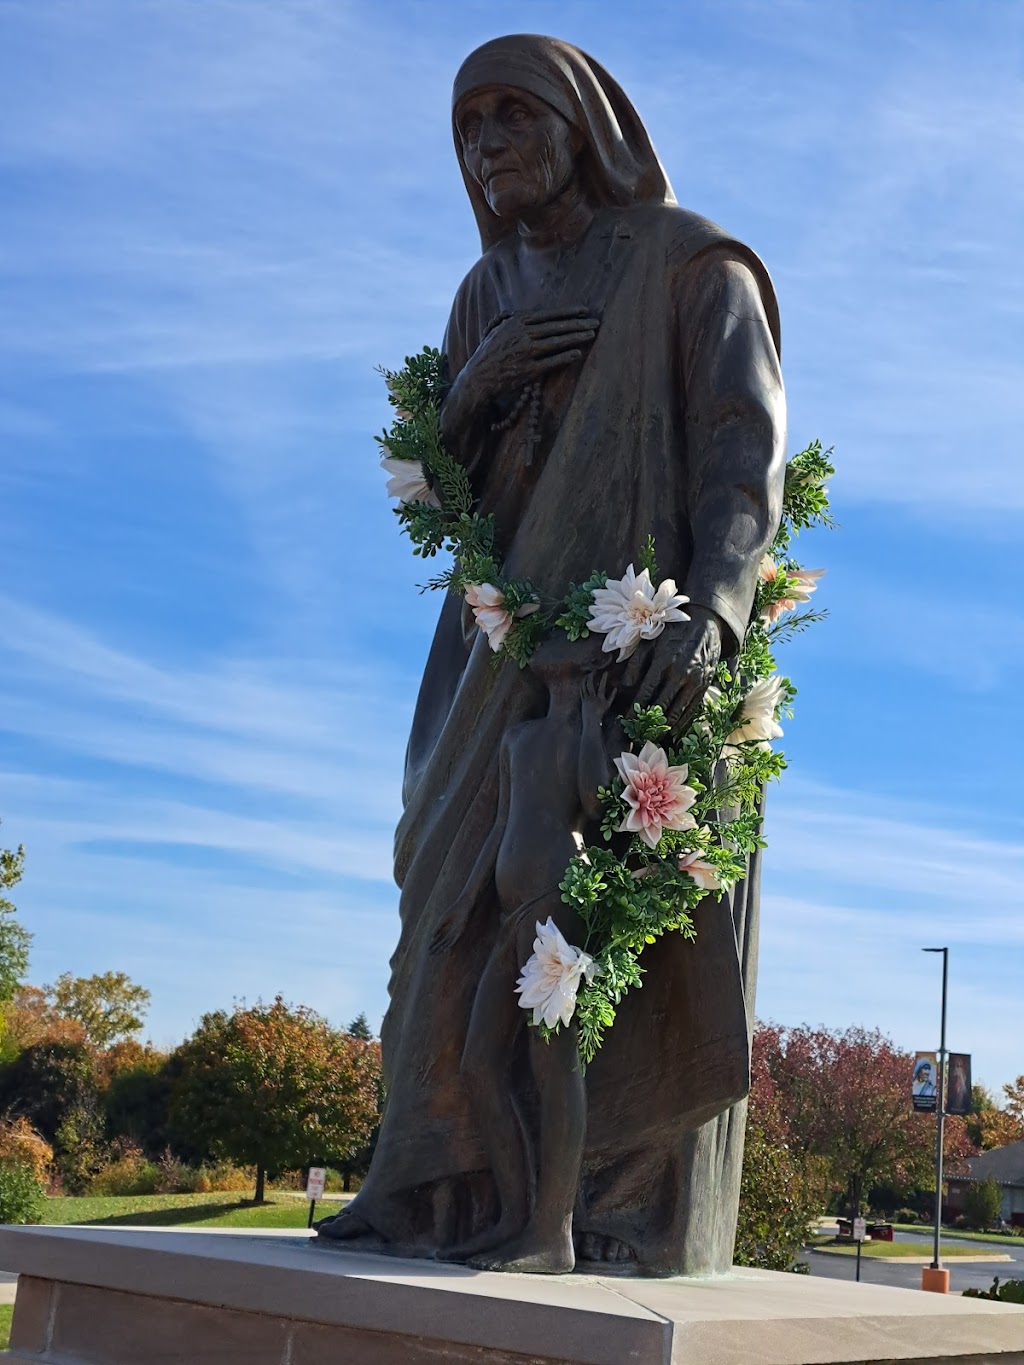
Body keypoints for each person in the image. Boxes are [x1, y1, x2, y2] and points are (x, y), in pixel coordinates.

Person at [318, 33, 785, 1274]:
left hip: (635, 644)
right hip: (489, 646)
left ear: (583, 124)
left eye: (510, 119)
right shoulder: (481, 300)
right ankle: (425, 1185)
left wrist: (718, 611)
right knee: (441, 887)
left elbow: (744, 454)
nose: (486, 150)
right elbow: (439, 496)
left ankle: (602, 1212)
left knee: (613, 920)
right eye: (468, 131)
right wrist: (474, 391)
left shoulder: (688, 264)